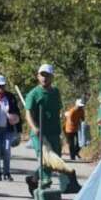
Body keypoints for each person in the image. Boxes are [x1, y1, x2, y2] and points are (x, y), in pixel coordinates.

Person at [23, 63, 63, 191]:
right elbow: (28, 114)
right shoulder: (34, 94)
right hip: (39, 133)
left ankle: (33, 179)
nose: (44, 78)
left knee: (54, 160)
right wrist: (34, 127)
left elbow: (58, 111)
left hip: (54, 132)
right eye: (42, 75)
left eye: (47, 75)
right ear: (38, 76)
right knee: (45, 158)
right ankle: (45, 183)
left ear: (52, 77)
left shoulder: (56, 92)